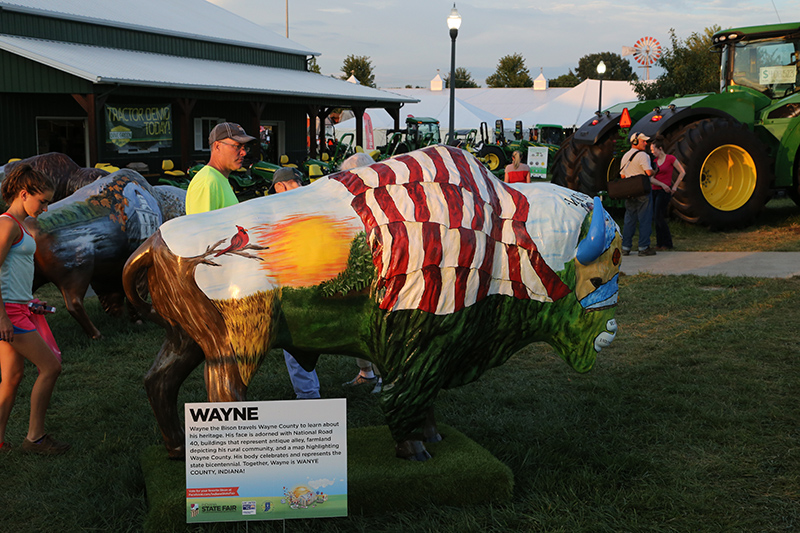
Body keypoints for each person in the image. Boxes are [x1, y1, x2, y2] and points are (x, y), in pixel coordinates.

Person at [0, 163, 69, 455]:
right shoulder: (6, 225)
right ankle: (35, 438)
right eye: (43, 201)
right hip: (9, 314)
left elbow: (12, 273)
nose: (45, 208)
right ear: (24, 193)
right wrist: (2, 315)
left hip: (18, 308)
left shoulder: (19, 225)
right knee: (51, 367)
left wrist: (30, 302)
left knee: (12, 378)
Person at [269, 168, 321, 399]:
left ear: (281, 186)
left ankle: (308, 395)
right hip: (318, 277)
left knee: (294, 341)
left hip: (295, 282)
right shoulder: (313, 202)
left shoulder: (284, 207)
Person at [338, 153, 382, 393]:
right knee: (360, 325)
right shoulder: (349, 196)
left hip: (378, 269)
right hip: (357, 267)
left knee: (378, 325)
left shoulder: (380, 197)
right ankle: (366, 372)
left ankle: (387, 376)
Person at [186, 122, 254, 215]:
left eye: (245, 148)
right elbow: (202, 228)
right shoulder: (208, 182)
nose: (244, 153)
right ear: (217, 146)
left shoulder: (219, 178)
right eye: (237, 146)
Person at [619, 132, 662, 257]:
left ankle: (625, 247)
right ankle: (643, 247)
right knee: (644, 219)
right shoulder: (643, 155)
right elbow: (648, 173)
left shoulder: (625, 156)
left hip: (629, 192)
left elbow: (622, 175)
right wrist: (655, 171)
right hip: (642, 191)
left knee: (629, 220)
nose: (646, 143)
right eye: (643, 141)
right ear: (636, 142)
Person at [650, 136, 686, 251]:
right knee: (656, 217)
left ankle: (667, 242)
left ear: (660, 148)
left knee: (659, 216)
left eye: (653, 149)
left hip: (665, 191)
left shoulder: (670, 159)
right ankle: (659, 243)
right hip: (656, 189)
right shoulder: (654, 162)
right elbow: (650, 178)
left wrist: (674, 186)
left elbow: (682, 172)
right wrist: (662, 184)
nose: (652, 152)